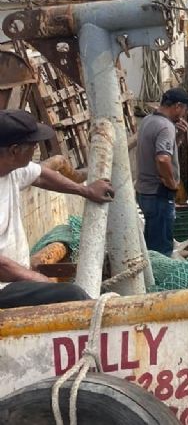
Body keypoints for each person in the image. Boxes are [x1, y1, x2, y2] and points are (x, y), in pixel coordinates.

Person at [0, 110, 113, 309]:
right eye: (32, 144)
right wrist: (35, 278)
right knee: (72, 294)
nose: (36, 147)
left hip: (13, 280)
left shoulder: (11, 169)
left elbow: (42, 175)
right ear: (14, 151)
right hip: (3, 286)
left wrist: (85, 190)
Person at [135, 88, 188, 256]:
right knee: (161, 249)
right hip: (158, 194)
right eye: (185, 109)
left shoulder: (148, 120)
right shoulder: (165, 126)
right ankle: (158, 280)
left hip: (145, 192)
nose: (184, 114)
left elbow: (164, 152)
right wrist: (171, 183)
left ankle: (151, 275)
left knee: (152, 242)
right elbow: (162, 159)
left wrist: (179, 137)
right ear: (178, 106)